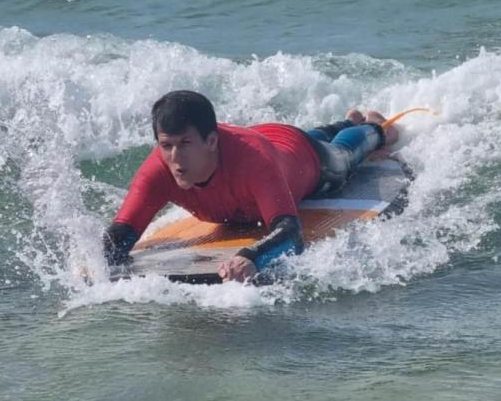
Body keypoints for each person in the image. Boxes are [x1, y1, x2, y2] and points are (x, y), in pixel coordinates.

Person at [102, 90, 398, 282]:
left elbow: (290, 234)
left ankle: (374, 127)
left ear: (211, 140)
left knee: (342, 158)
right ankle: (344, 121)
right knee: (317, 136)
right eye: (166, 145)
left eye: (185, 144)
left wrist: (252, 257)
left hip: (303, 158)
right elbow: (122, 234)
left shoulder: (253, 164)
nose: (175, 158)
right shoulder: (159, 170)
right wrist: (97, 260)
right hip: (270, 142)